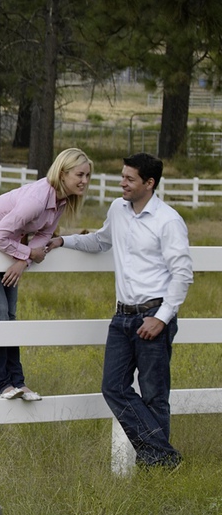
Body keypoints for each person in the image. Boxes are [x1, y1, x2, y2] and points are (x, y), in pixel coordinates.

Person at [43, 152, 193, 468]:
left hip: (153, 315)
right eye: (122, 176)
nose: (122, 183)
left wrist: (161, 318)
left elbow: (182, 274)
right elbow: (101, 241)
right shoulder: (118, 209)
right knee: (113, 387)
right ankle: (164, 457)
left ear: (149, 183)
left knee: (154, 396)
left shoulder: (168, 221)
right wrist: (63, 242)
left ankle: (156, 466)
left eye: (129, 179)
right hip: (122, 317)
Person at [0, 148, 95, 400]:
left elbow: (44, 235)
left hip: (8, 244)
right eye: (80, 175)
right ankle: (2, 385)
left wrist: (22, 261)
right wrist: (27, 253)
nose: (85, 181)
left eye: (87, 175)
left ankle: (18, 383)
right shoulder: (37, 199)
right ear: (63, 173)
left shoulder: (61, 201)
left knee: (10, 314)